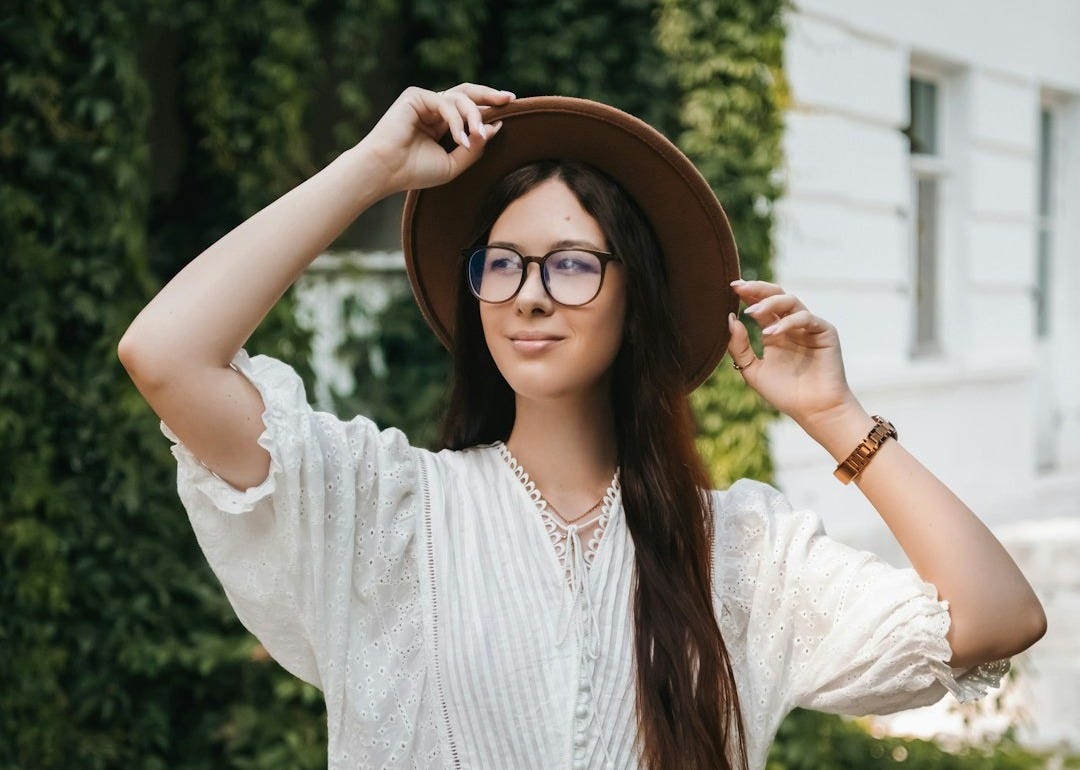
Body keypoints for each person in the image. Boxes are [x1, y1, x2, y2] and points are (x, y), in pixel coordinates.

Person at [118, 83, 1046, 770]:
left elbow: (997, 618)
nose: (528, 297)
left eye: (570, 265)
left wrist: (836, 418)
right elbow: (167, 355)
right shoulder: (386, 510)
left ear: (633, 294)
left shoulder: (738, 552)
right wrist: (371, 169)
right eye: (503, 265)